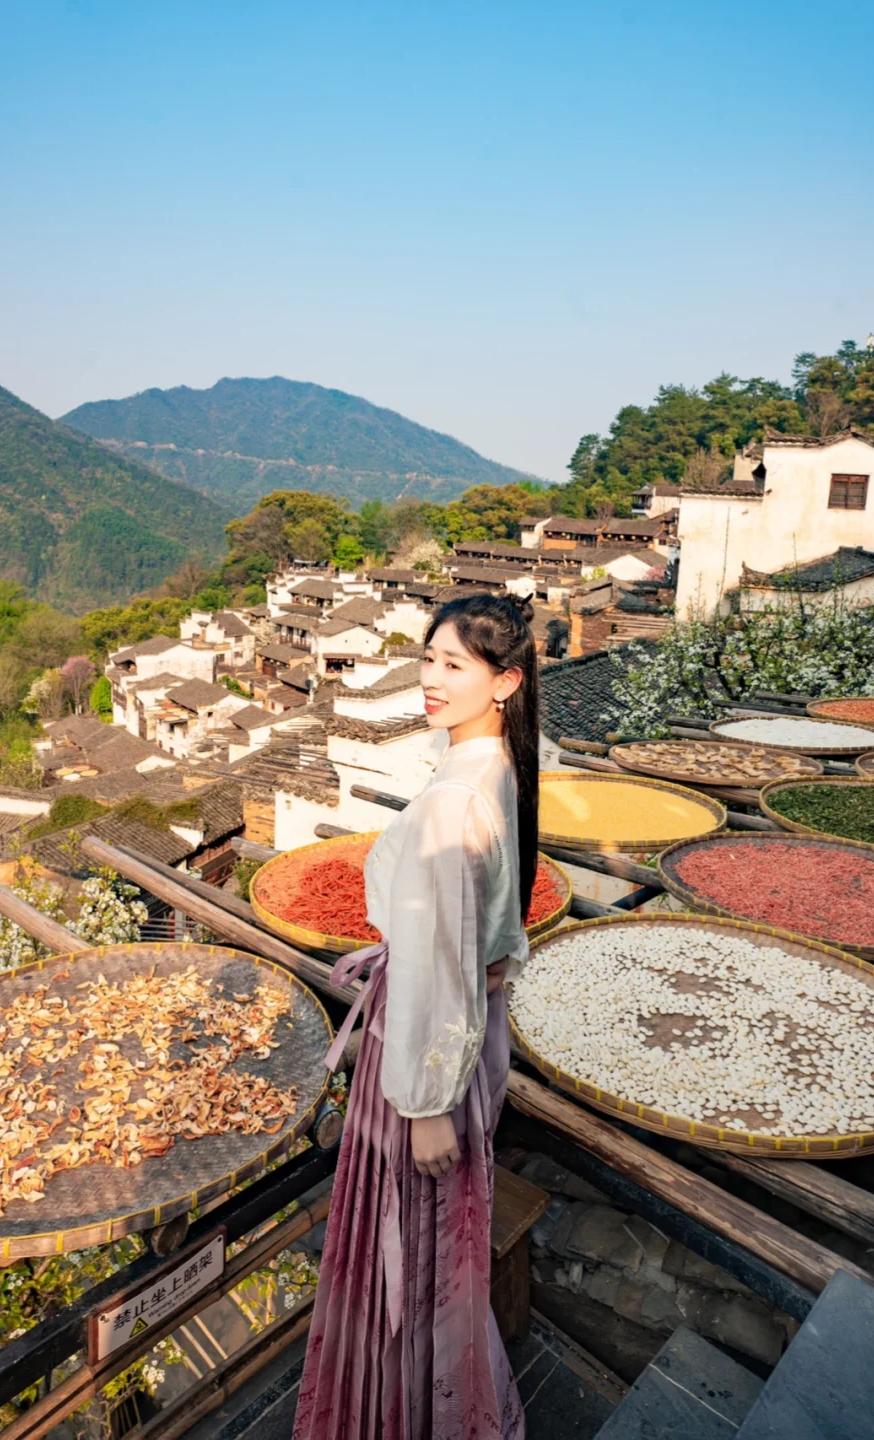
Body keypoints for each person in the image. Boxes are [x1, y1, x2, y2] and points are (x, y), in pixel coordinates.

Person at [293, 592, 539, 1440]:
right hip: (464, 1030)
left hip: (425, 1054)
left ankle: (397, 1407)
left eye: (453, 665)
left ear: (504, 682)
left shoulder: (452, 802)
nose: (430, 679)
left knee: (407, 1240)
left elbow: (437, 959)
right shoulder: (500, 763)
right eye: (427, 659)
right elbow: (489, 934)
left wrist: (426, 1107)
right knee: (440, 1239)